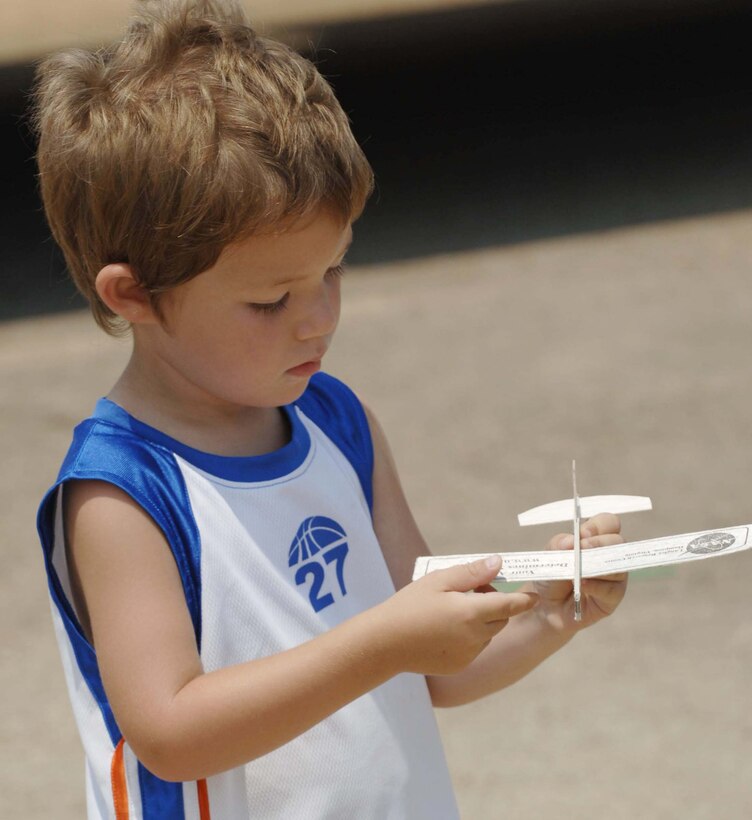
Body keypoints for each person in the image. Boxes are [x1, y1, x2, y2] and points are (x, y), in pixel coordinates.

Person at [33, 2, 626, 817]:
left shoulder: (337, 425)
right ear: (132, 293)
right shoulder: (123, 493)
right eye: (271, 300)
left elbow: (437, 668)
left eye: (334, 273)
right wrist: (381, 644)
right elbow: (171, 730)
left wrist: (553, 612)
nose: (319, 319)